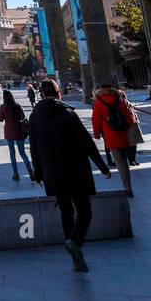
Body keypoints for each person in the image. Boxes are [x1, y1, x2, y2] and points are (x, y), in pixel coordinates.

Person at [30, 79, 111, 272]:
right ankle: (75, 243)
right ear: (58, 93)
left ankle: (74, 255)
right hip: (75, 170)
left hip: (52, 173)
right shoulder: (67, 113)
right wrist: (102, 166)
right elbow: (86, 142)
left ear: (41, 94)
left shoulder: (35, 117)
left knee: (66, 212)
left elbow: (34, 148)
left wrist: (38, 173)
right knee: (85, 211)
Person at [91, 84, 136, 198]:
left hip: (110, 136)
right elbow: (130, 119)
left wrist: (97, 135)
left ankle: (127, 188)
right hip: (122, 135)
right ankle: (128, 186)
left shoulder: (99, 103)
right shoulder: (119, 101)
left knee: (119, 161)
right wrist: (124, 128)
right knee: (123, 160)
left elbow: (95, 121)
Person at [0, 88, 33, 181]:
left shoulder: (3, 107)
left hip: (9, 133)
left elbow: (0, 119)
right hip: (19, 132)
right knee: (23, 153)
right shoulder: (17, 106)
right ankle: (30, 172)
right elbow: (23, 117)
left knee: (12, 153)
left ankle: (16, 174)